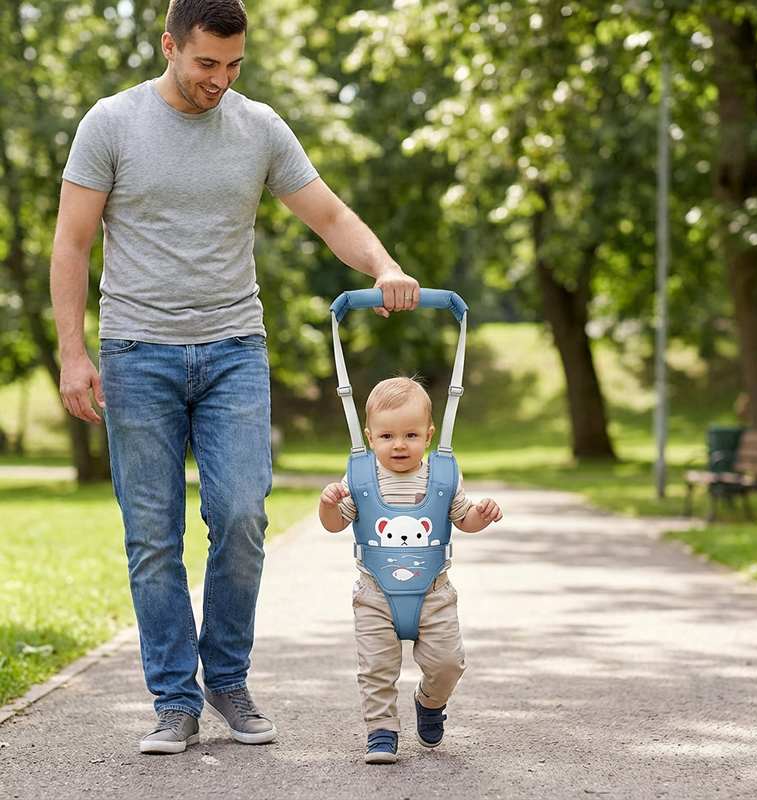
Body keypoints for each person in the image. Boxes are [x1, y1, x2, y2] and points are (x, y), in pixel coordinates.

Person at [50, 0, 419, 755]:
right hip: (135, 351)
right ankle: (173, 701)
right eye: (205, 63)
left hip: (232, 350)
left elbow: (328, 214)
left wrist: (383, 264)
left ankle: (227, 679)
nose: (220, 79)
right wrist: (71, 351)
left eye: (233, 65)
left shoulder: (259, 127)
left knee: (242, 515)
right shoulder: (111, 124)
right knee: (152, 536)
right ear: (170, 46)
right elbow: (73, 241)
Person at [318, 376, 502, 764]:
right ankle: (381, 731)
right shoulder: (361, 476)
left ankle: (430, 701)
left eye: (411, 435)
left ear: (429, 436)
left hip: (433, 592)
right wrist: (329, 504)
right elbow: (335, 525)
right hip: (375, 595)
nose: (399, 444)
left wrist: (480, 517)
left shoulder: (444, 474)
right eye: (387, 436)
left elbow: (462, 519)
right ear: (370, 437)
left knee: (449, 663)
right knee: (376, 668)